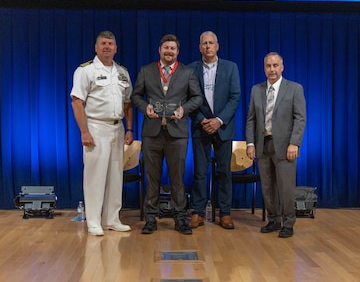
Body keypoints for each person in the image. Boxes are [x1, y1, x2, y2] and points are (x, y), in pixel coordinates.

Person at [131, 34, 203, 235]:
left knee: (177, 178)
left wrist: (184, 110)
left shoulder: (187, 72)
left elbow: (197, 97)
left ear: (177, 52)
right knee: (152, 178)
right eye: (166, 48)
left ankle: (180, 218)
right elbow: (135, 96)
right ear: (159, 50)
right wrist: (145, 107)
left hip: (177, 133)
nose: (169, 51)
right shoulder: (146, 71)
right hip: (152, 133)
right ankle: (151, 219)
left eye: (173, 48)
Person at [70, 31, 134, 236]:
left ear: (116, 48)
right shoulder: (86, 71)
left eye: (110, 44)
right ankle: (94, 221)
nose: (107, 47)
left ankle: (112, 219)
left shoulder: (122, 72)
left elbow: (128, 103)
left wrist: (130, 128)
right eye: (103, 44)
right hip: (96, 127)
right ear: (96, 48)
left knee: (115, 175)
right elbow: (77, 101)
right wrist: (84, 131)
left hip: (118, 127)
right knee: (95, 176)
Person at [245, 52, 306, 238]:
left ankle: (288, 223)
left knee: (286, 187)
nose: (272, 69)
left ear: (282, 67)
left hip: (285, 146)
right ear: (264, 68)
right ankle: (273, 219)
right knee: (267, 186)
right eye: (268, 66)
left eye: (275, 65)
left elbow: (300, 118)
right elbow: (251, 120)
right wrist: (250, 143)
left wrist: (294, 143)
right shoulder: (256, 89)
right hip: (263, 145)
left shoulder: (294, 88)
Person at [188, 31, 241, 229]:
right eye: (204, 43)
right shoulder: (191, 69)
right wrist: (202, 120)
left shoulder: (230, 67)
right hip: (200, 127)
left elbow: (235, 97)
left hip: (223, 128)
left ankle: (225, 213)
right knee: (200, 172)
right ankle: (198, 212)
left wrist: (218, 120)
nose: (208, 46)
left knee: (224, 172)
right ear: (200, 47)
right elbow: (188, 100)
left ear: (217, 46)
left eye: (211, 43)